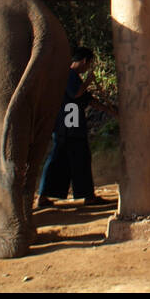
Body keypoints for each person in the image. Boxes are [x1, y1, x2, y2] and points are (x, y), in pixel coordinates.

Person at [36, 46, 105, 209]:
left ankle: (83, 195)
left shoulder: (72, 77)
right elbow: (76, 94)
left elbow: (87, 99)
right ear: (84, 61)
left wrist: (111, 110)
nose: (87, 68)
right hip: (67, 127)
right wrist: (89, 80)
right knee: (64, 160)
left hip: (71, 127)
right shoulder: (68, 75)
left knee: (72, 161)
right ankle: (85, 196)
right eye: (88, 64)